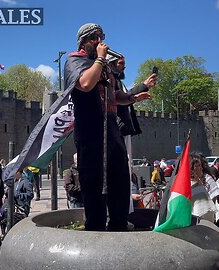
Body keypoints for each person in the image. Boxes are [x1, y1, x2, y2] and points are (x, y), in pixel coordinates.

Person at [64, 23, 150, 231]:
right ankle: (95, 230)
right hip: (91, 131)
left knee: (119, 181)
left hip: (112, 129)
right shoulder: (75, 60)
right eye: (95, 37)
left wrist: (131, 98)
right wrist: (101, 60)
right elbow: (85, 84)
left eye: (102, 36)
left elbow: (114, 95)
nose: (100, 41)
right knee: (94, 185)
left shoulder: (103, 68)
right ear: (84, 41)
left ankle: (118, 226)